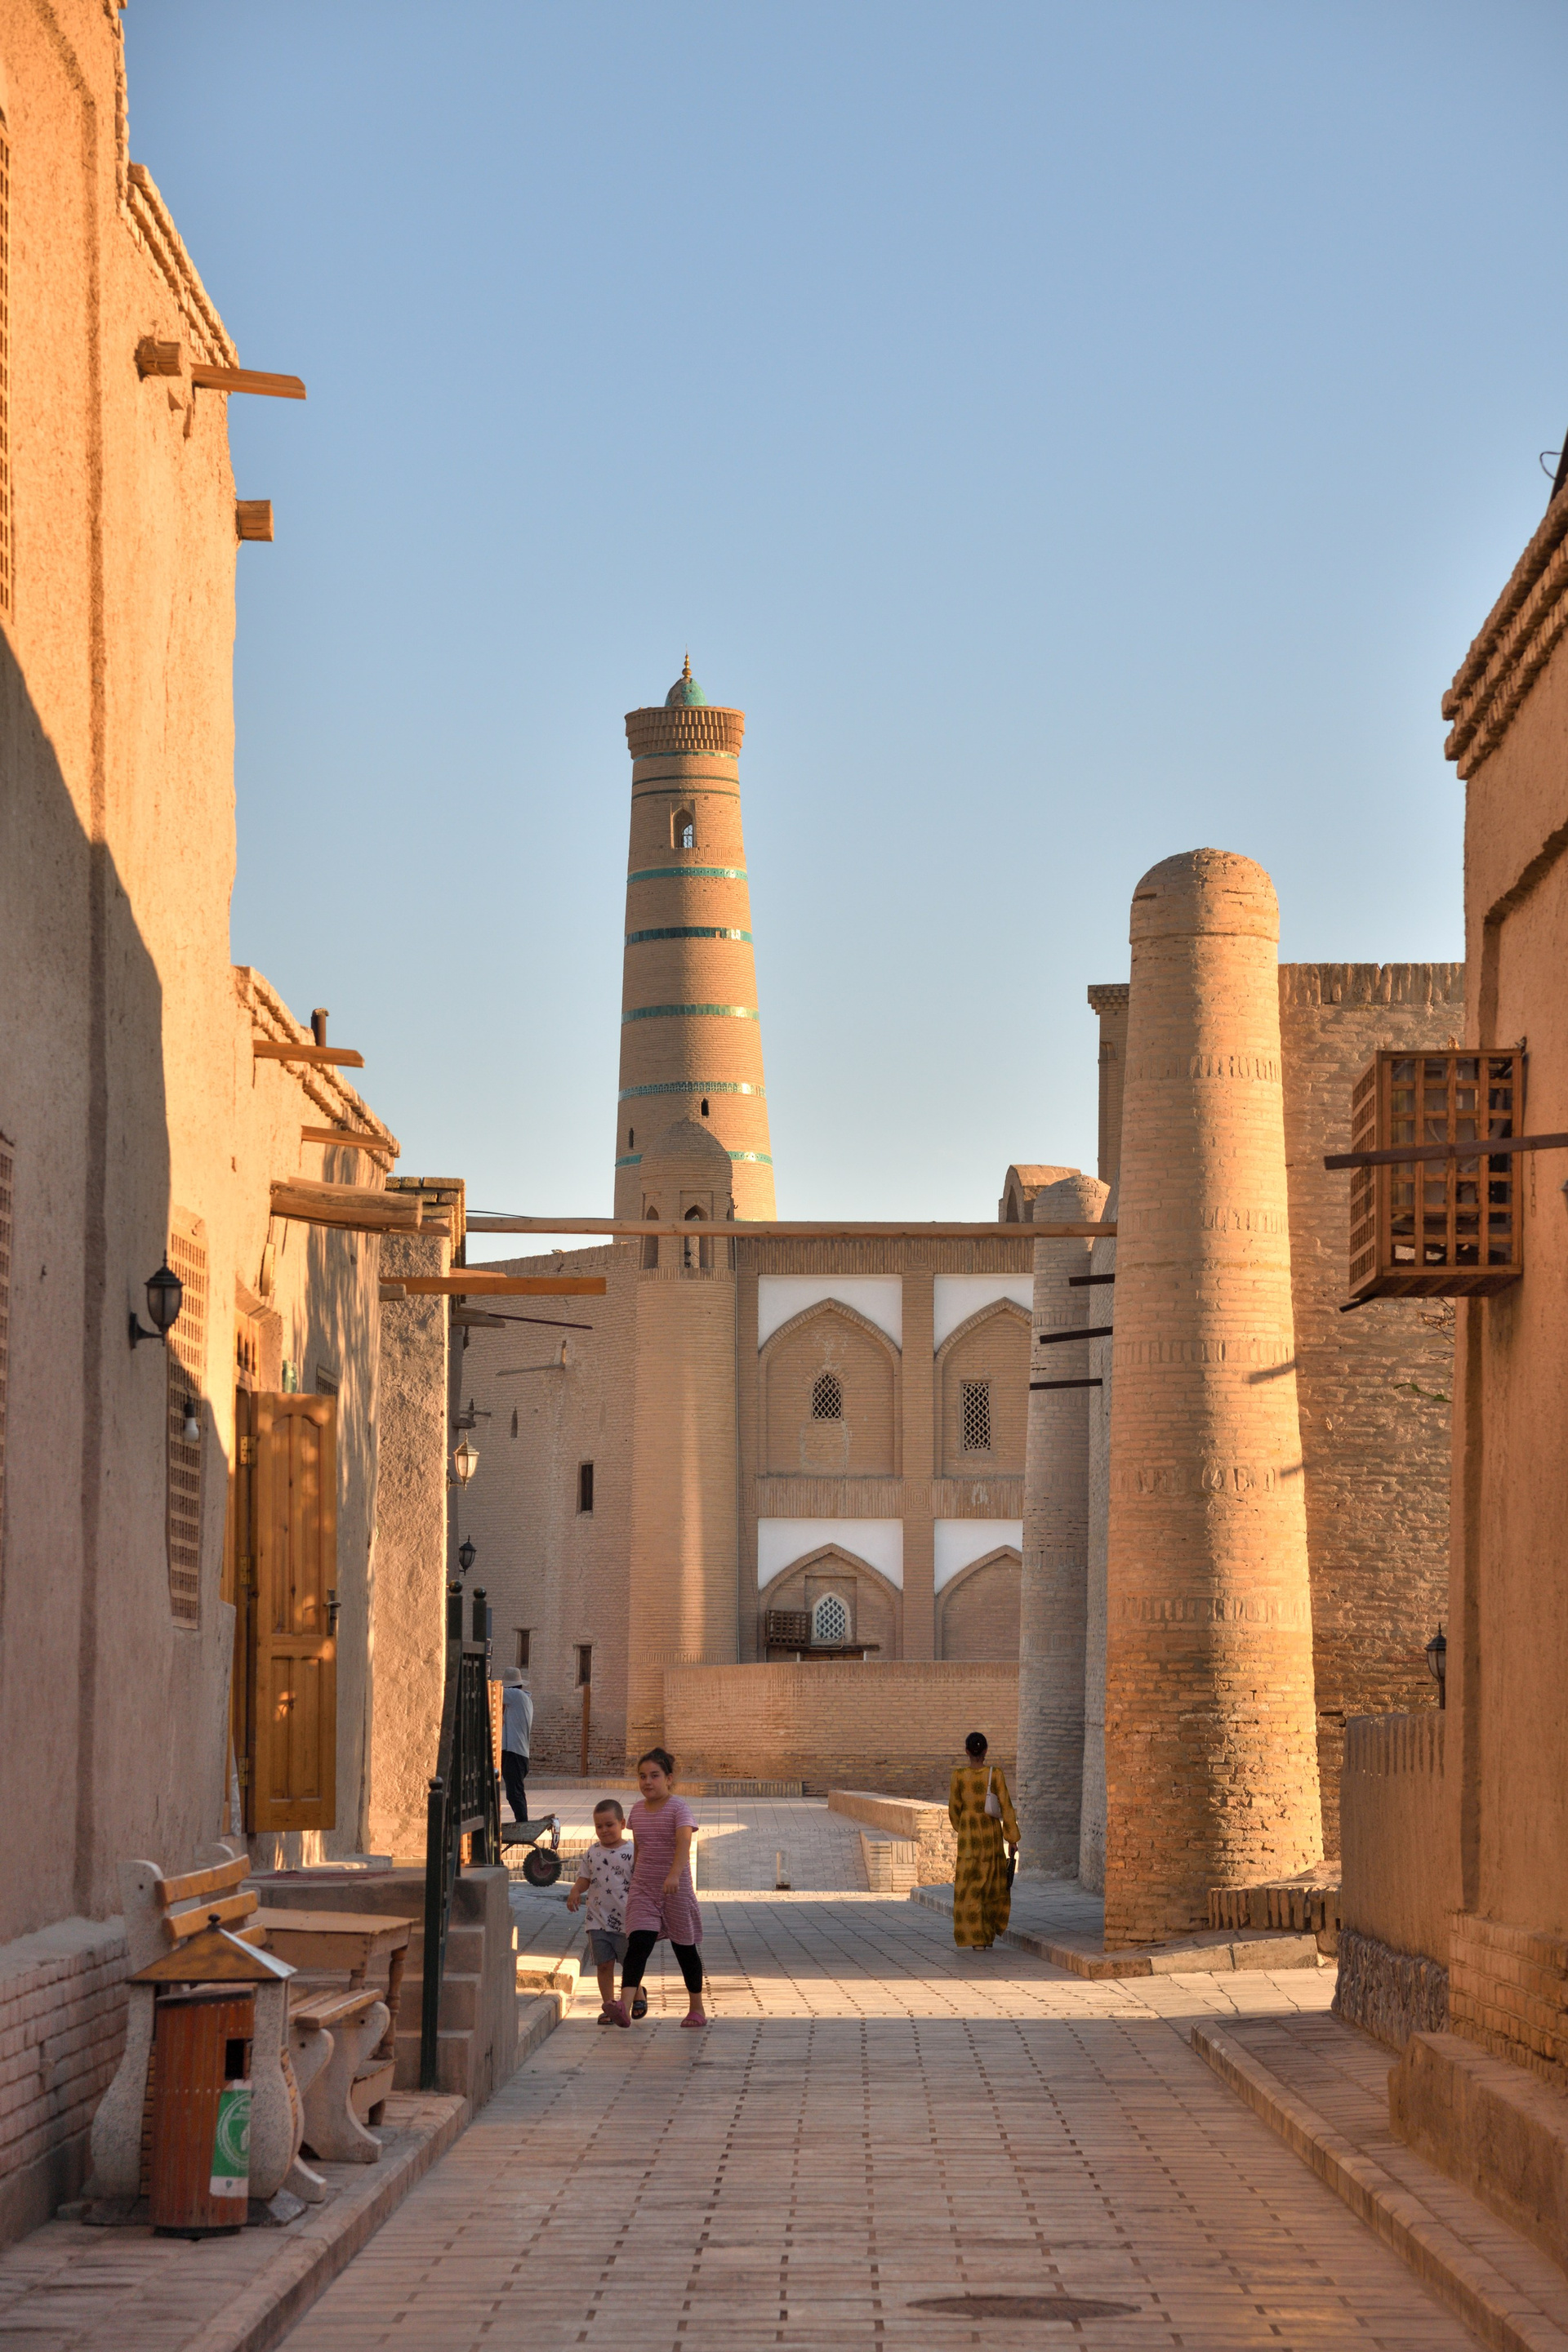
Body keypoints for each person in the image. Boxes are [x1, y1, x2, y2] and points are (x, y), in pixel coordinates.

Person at [604, 1747, 706, 2029]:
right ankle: (624, 2006)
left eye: (654, 1775)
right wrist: (633, 1877)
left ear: (669, 1779)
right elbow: (640, 1848)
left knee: (685, 1949)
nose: (647, 1781)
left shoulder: (679, 1808)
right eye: (642, 1776)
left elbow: (684, 1844)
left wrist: (674, 1875)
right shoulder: (637, 1810)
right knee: (638, 1944)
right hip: (644, 1889)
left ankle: (696, 2008)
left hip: (675, 1890)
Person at [566, 1799, 640, 2021]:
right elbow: (585, 1878)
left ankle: (637, 1993)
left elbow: (642, 1882)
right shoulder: (593, 1852)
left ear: (622, 1824)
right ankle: (610, 2007)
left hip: (627, 1920)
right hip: (597, 1919)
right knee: (604, 1965)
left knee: (629, 1964)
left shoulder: (633, 1852)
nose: (604, 1830)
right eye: (599, 1826)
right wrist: (575, 1891)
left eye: (609, 1825)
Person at [948, 1731, 1018, 1950]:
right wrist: (1012, 1839)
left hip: (969, 1838)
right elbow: (1006, 1806)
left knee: (971, 1887)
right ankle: (986, 1934)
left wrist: (965, 1828)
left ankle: (976, 1937)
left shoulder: (959, 1776)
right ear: (986, 1750)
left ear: (967, 1751)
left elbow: (954, 1811)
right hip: (990, 1836)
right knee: (990, 1884)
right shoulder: (995, 1774)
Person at [499, 1667, 532, 1825]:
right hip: (515, 1752)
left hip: (515, 1753)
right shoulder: (519, 1700)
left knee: (514, 1793)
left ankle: (523, 1823)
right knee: (515, 1792)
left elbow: (494, 1692)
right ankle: (522, 1822)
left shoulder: (516, 1696)